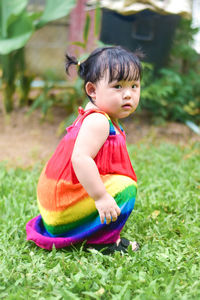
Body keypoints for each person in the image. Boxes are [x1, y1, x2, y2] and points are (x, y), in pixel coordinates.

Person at [26, 46, 142, 254]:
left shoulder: (98, 113)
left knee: (118, 184)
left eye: (134, 86)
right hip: (61, 210)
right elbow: (80, 159)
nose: (128, 95)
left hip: (55, 208)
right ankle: (104, 243)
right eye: (118, 86)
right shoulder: (98, 121)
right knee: (126, 187)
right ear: (92, 91)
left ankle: (87, 225)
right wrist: (101, 197)